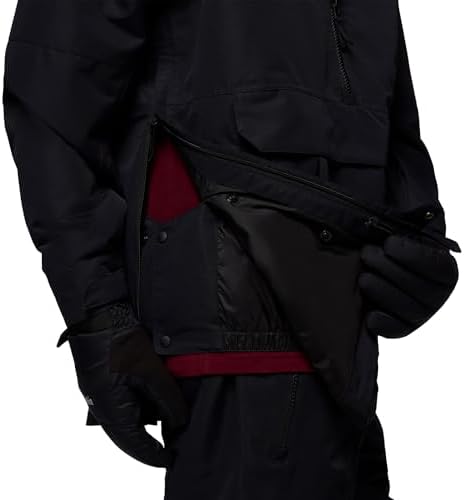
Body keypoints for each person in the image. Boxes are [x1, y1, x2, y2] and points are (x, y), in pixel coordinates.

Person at [4, 1, 459, 499]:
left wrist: (417, 229)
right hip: (228, 340)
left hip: (343, 350)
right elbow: (53, 95)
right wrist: (99, 314)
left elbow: (380, 102)